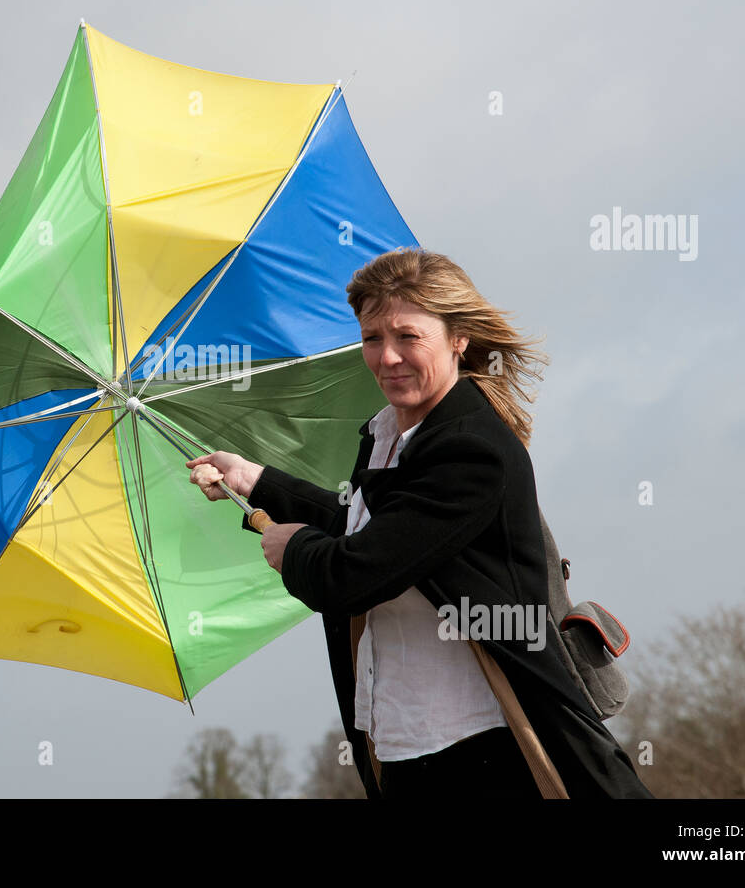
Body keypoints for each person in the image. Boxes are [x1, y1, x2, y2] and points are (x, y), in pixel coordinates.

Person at [186, 247, 652, 800]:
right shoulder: (387, 438)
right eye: (372, 338)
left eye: (408, 336)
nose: (387, 357)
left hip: (489, 749)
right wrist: (255, 482)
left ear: (458, 337)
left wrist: (295, 550)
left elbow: (356, 572)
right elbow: (366, 530)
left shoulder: (472, 450)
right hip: (404, 748)